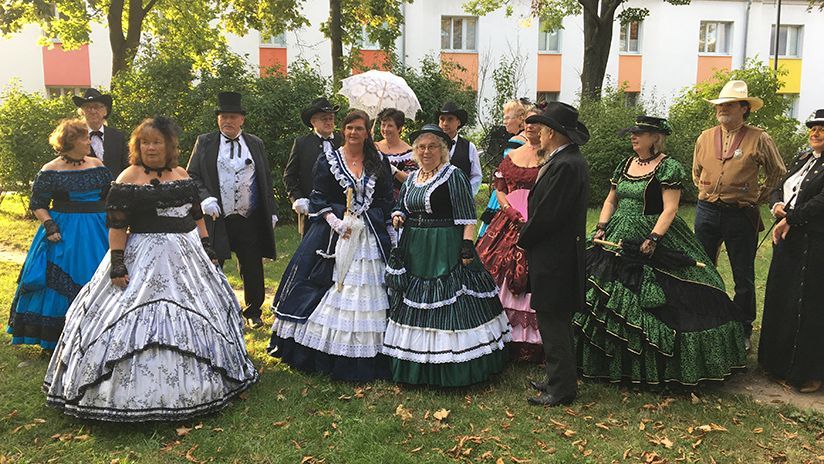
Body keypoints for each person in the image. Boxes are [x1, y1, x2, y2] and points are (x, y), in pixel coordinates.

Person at [43, 117, 258, 421]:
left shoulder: (182, 174)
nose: (151, 147)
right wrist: (117, 264)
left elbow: (197, 216)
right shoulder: (128, 177)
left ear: (169, 146)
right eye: (145, 142)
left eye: (157, 142)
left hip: (186, 254)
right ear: (137, 146)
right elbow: (117, 226)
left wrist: (207, 247)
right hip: (142, 254)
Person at [575, 115, 747, 388]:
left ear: (655, 137)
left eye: (639, 133)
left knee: (677, 290)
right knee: (600, 289)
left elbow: (670, 209)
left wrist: (653, 238)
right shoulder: (624, 165)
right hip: (618, 230)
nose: (633, 137)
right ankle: (602, 361)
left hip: (653, 231)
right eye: (632, 133)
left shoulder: (668, 168)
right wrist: (601, 227)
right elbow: (611, 199)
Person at [268, 109, 394, 382]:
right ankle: (321, 351)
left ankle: (373, 352)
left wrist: (388, 224)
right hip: (336, 232)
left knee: (370, 290)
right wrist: (335, 220)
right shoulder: (329, 160)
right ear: (343, 130)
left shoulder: (378, 161)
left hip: (369, 234)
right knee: (327, 284)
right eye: (348, 128)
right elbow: (319, 195)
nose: (352, 133)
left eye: (359, 128)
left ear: (367, 131)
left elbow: (385, 199)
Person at [383, 124, 511, 387]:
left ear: (442, 150)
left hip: (444, 246)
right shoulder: (413, 178)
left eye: (432, 147)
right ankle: (413, 365)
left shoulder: (453, 176)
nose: (426, 151)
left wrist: (466, 247)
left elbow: (467, 218)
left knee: (451, 300)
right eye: (421, 147)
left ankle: (454, 366)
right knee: (415, 300)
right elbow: (402, 206)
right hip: (414, 247)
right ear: (415, 151)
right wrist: (399, 214)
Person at [692, 80, 786, 350]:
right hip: (707, 211)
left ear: (744, 108)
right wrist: (706, 190)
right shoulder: (705, 137)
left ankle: (743, 328)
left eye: (729, 105)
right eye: (720, 105)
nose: (722, 109)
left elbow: (777, 171)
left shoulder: (760, 137)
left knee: (742, 274)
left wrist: (758, 196)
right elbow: (696, 171)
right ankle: (705, 321)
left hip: (741, 214)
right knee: (702, 268)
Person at [7, 119, 111, 351]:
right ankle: (56, 340)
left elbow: (109, 197)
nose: (89, 142)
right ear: (71, 141)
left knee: (100, 276)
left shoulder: (97, 165)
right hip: (64, 230)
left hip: (97, 229)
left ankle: (98, 335)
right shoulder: (50, 170)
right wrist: (49, 225)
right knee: (60, 281)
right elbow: (38, 204)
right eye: (84, 138)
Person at [518, 102, 589, 406]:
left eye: (544, 129)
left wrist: (523, 239)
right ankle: (556, 378)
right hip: (551, 253)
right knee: (550, 318)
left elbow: (549, 214)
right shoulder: (563, 160)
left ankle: (562, 389)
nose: (539, 134)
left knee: (555, 321)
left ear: (555, 133)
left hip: (556, 255)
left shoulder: (567, 165)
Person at [187, 91, 278, 328]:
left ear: (241, 120)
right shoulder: (205, 142)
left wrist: (272, 210)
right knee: (214, 261)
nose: (227, 121)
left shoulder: (255, 143)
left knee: (252, 265)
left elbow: (265, 178)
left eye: (232, 117)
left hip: (249, 215)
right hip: (218, 216)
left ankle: (253, 311)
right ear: (218, 119)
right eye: (223, 116)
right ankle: (212, 309)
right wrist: (205, 198)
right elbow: (192, 175)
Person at [759, 109, 824, 394]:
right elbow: (777, 185)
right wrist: (776, 205)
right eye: (812, 127)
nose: (815, 132)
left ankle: (809, 372)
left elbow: (821, 201)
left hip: (815, 242)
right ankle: (778, 363)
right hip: (789, 241)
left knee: (808, 305)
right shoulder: (802, 158)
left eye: (822, 128)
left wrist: (791, 218)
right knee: (782, 298)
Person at [476, 106, 543, 362]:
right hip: (507, 219)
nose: (530, 126)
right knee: (494, 267)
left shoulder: (550, 157)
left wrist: (532, 216)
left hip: (536, 220)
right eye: (527, 121)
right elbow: (500, 188)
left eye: (536, 122)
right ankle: (496, 335)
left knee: (530, 275)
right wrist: (508, 210)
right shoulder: (512, 154)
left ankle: (529, 341)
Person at [285, 97, 343, 235]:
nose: (329, 122)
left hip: (340, 207)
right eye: (324, 119)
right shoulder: (302, 143)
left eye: (331, 118)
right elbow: (289, 176)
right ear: (313, 121)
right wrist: (298, 198)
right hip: (312, 208)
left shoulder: (343, 140)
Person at [478, 99, 531, 237]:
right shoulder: (529, 140)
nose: (504, 122)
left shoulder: (515, 141)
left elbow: (507, 174)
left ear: (520, 119)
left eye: (507, 118)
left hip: (507, 193)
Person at [73, 88, 129, 178]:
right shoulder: (75, 137)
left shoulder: (118, 136)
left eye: (96, 106)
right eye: (88, 107)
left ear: (105, 111)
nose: (92, 111)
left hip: (116, 190)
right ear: (82, 112)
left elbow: (127, 167)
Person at [437, 101, 483, 195]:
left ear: (458, 122)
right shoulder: (432, 146)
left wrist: (466, 194)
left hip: (461, 200)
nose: (445, 123)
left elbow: (476, 176)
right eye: (442, 119)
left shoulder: (469, 147)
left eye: (450, 119)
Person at [374, 108, 414, 200]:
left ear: (399, 128)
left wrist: (392, 169)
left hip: (399, 201)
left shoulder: (410, 153)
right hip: (375, 201)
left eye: (390, 126)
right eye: (383, 125)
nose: (385, 129)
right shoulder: (374, 148)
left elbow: (411, 180)